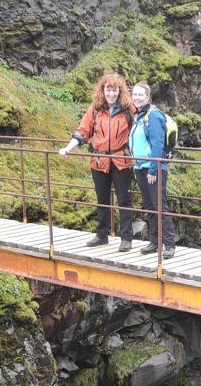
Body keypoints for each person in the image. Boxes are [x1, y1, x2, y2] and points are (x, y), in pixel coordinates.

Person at [59, 73, 135, 251]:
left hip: (121, 159)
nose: (111, 94)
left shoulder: (128, 109)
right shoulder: (95, 109)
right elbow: (83, 131)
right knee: (102, 199)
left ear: (119, 91)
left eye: (114, 90)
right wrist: (68, 148)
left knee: (124, 199)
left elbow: (143, 124)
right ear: (103, 90)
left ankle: (126, 238)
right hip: (100, 160)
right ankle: (102, 235)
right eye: (108, 89)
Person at [129, 81, 176, 259]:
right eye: (135, 94)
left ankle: (169, 244)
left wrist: (153, 170)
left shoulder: (153, 115)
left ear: (148, 96)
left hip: (153, 168)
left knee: (159, 206)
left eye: (141, 95)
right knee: (149, 206)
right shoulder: (140, 115)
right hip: (140, 167)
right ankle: (155, 241)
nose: (137, 97)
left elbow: (157, 144)